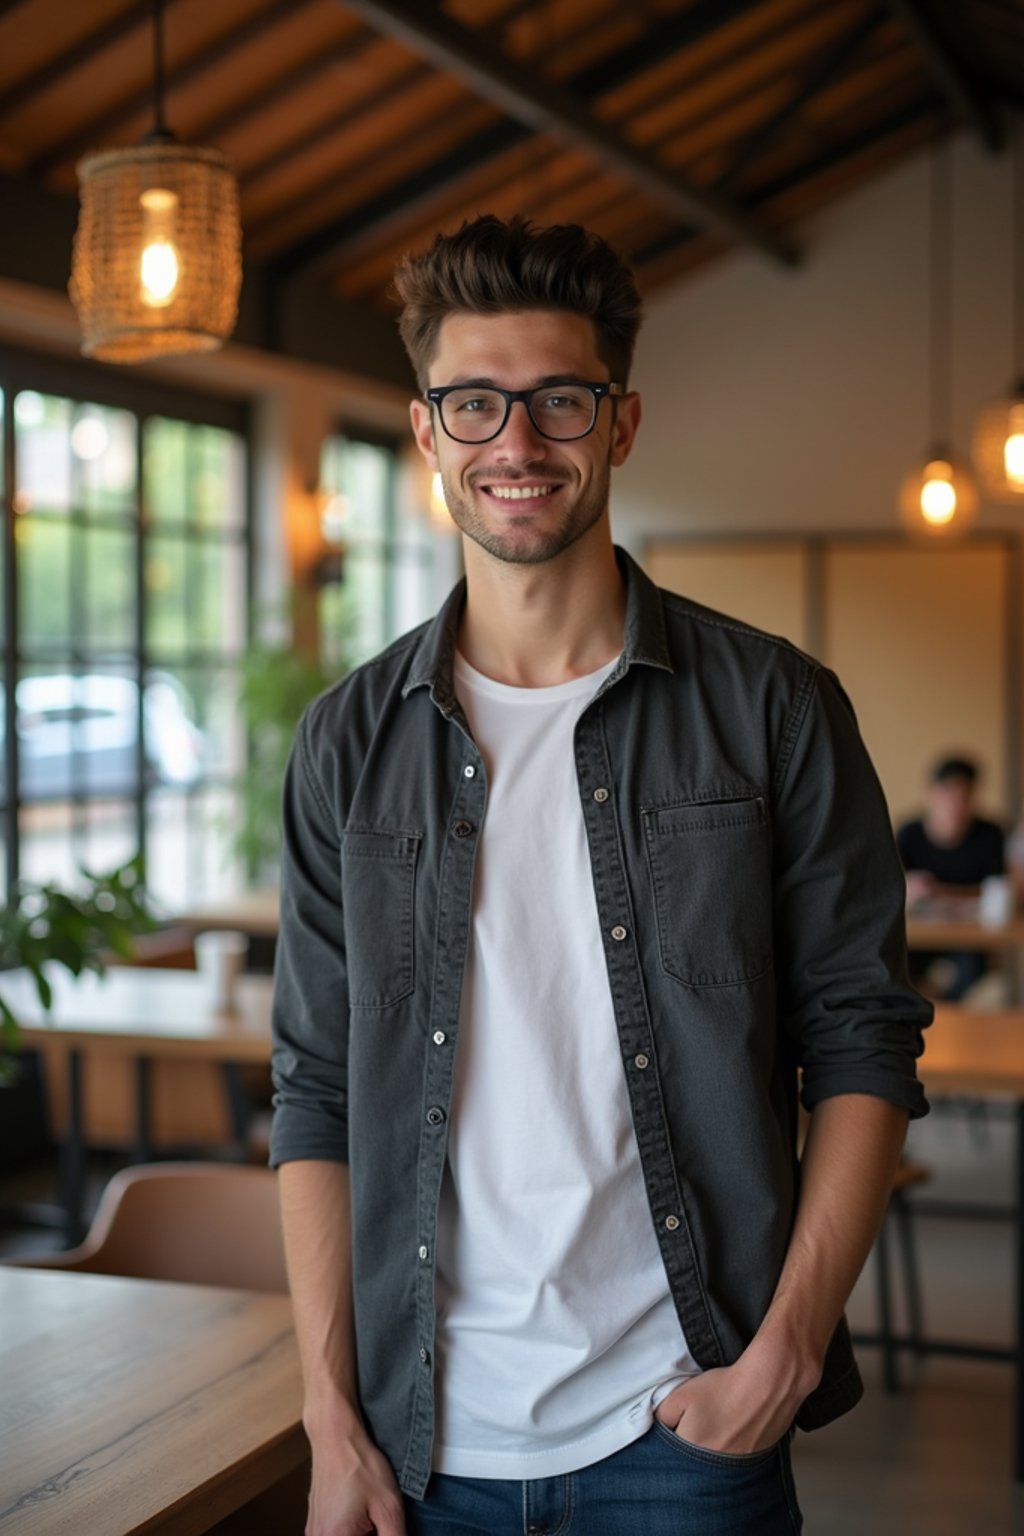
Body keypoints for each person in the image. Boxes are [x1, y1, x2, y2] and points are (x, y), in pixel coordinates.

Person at [269, 215, 932, 1536]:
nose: (515, 443)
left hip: (687, 1432)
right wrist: (330, 1416)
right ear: (426, 434)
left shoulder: (773, 710)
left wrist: (786, 1355)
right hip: (423, 1450)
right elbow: (319, 1085)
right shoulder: (347, 741)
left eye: (557, 402)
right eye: (474, 404)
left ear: (619, 425)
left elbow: (862, 1039)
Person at [896, 754, 1006, 999]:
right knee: (897, 960)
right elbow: (893, 886)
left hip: (970, 936)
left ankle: (941, 1009)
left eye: (964, 797)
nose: (956, 804)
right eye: (949, 794)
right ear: (933, 793)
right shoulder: (909, 833)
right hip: (920, 932)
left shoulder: (990, 834)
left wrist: (940, 892)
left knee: (973, 966)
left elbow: (996, 891)